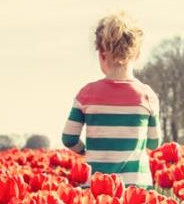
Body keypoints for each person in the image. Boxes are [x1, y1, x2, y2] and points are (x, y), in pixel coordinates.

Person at [61, 12, 160, 188]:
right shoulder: (147, 96)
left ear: (102, 54)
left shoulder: (87, 94)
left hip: (97, 186)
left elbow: (69, 138)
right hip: (136, 186)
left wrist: (86, 151)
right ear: (137, 54)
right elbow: (154, 142)